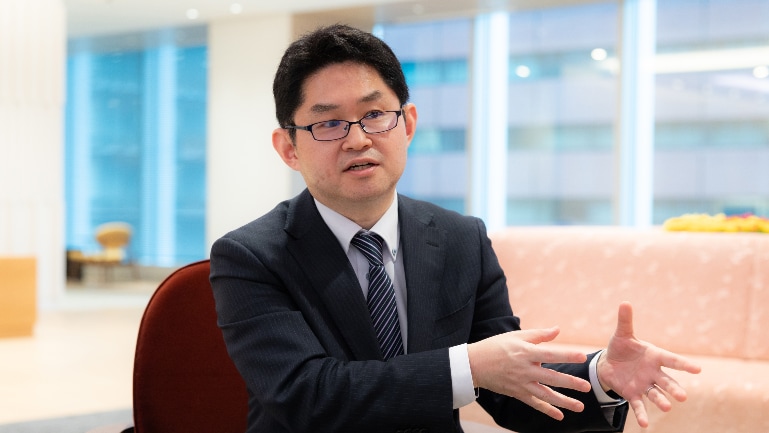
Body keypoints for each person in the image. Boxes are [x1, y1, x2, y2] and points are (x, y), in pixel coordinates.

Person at [209, 24, 701, 433]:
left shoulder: (461, 238)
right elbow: (308, 397)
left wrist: (601, 377)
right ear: (288, 148)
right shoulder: (250, 255)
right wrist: (469, 366)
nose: (357, 139)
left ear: (408, 124)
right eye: (329, 123)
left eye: (375, 114)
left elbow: (509, 391)